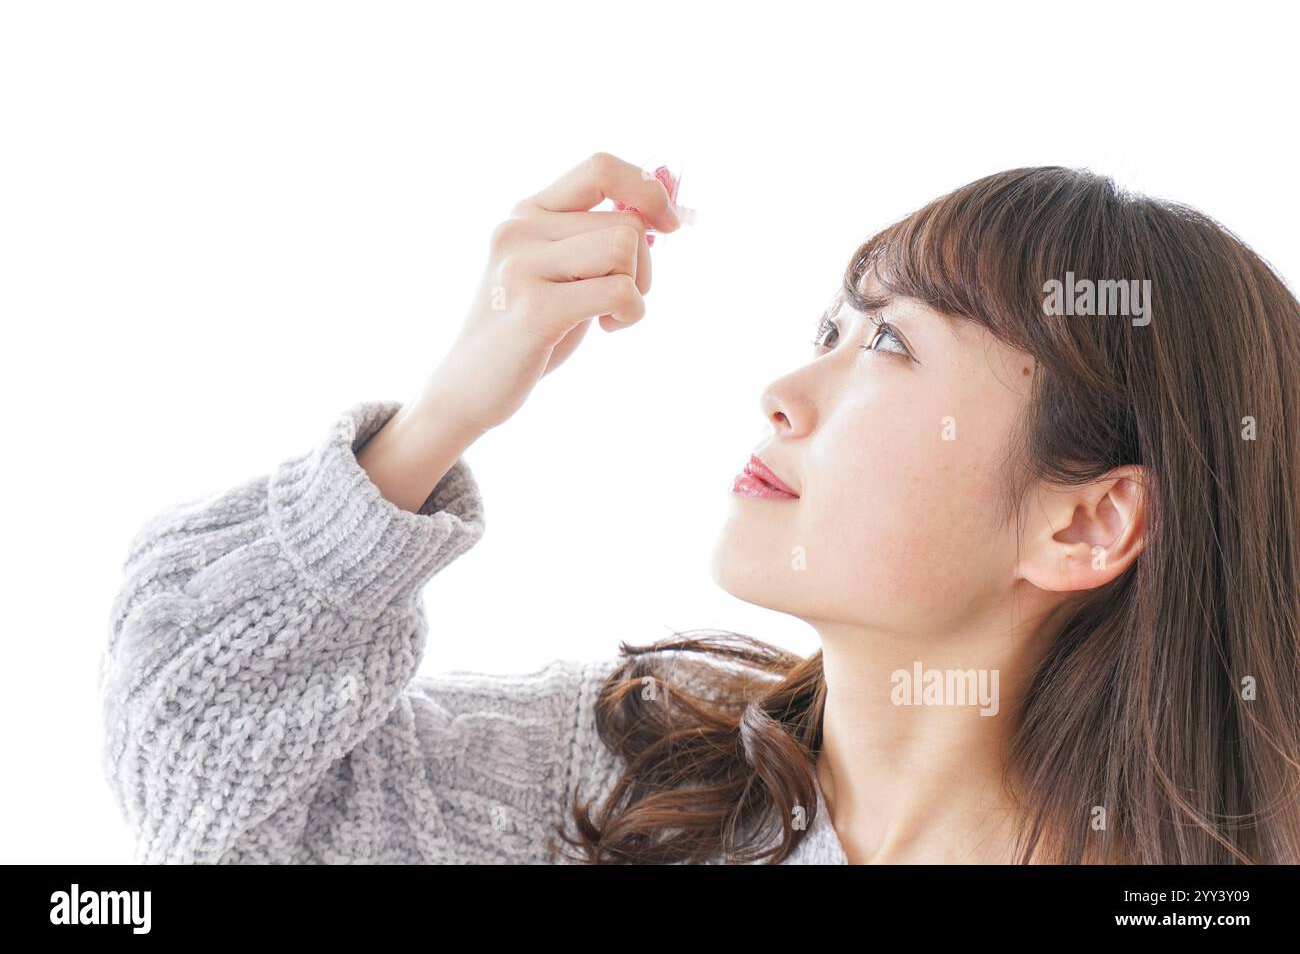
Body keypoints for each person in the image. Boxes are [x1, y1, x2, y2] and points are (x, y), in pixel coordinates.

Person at [100, 152, 1300, 865]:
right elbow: (211, 790)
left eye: (887, 343)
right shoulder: (611, 793)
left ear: (1085, 524)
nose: (782, 393)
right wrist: (437, 421)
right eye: (826, 329)